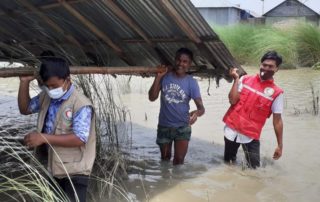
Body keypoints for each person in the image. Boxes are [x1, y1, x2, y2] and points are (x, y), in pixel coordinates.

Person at [18, 57, 96, 202]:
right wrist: (24, 83)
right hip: (53, 166)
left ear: (67, 79)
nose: (51, 90)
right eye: (47, 86)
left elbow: (79, 138)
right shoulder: (46, 97)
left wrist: (43, 138)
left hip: (75, 170)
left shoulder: (81, 104)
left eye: (54, 86)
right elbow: (25, 108)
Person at [223, 51, 284, 169]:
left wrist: (280, 145)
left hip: (251, 135)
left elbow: (277, 121)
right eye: (264, 65)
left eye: (271, 66)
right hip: (231, 130)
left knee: (255, 169)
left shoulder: (277, 93)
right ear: (260, 65)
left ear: (277, 69)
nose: (266, 68)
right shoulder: (244, 79)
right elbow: (232, 100)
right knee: (228, 164)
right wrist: (236, 79)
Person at [148, 48, 205, 165]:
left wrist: (196, 114)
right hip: (165, 126)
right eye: (179, 60)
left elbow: (201, 108)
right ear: (175, 60)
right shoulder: (165, 76)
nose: (181, 64)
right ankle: (164, 182)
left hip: (182, 127)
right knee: (165, 159)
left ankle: (178, 182)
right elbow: (152, 97)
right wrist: (158, 77)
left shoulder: (191, 82)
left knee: (179, 161)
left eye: (185, 62)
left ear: (189, 64)